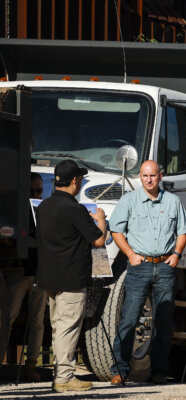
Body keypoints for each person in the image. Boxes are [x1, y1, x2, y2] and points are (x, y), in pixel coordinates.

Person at [109, 160, 186, 385]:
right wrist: (130, 254)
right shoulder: (129, 200)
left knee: (163, 322)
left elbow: (183, 231)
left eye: (153, 175)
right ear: (140, 177)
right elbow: (116, 229)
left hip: (165, 267)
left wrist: (176, 254)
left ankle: (159, 371)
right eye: (145, 176)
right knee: (129, 318)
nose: (149, 179)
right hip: (139, 266)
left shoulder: (173, 201)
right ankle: (119, 369)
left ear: (160, 176)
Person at [36, 160, 107, 392]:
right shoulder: (75, 209)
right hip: (71, 279)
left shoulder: (44, 206)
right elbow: (97, 240)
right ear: (75, 181)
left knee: (58, 327)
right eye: (80, 180)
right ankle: (64, 377)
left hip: (49, 277)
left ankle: (61, 372)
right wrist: (101, 222)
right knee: (68, 327)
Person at [2, 173, 47, 381]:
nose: (36, 194)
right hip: (19, 271)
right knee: (7, 318)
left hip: (39, 271)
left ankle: (31, 364)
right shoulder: (14, 212)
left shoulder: (43, 210)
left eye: (39, 190)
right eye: (32, 191)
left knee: (37, 321)